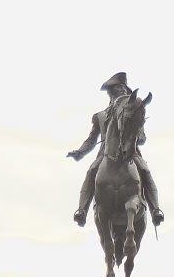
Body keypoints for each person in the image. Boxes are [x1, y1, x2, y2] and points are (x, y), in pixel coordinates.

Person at [66, 71, 164, 227]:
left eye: (122, 89)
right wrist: (80, 152)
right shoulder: (100, 115)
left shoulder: (132, 111)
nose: (121, 92)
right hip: (105, 154)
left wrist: (137, 136)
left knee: (145, 171)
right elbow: (92, 139)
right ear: (111, 93)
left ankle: (155, 210)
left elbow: (142, 136)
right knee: (92, 172)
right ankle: (81, 210)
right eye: (116, 89)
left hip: (130, 153)